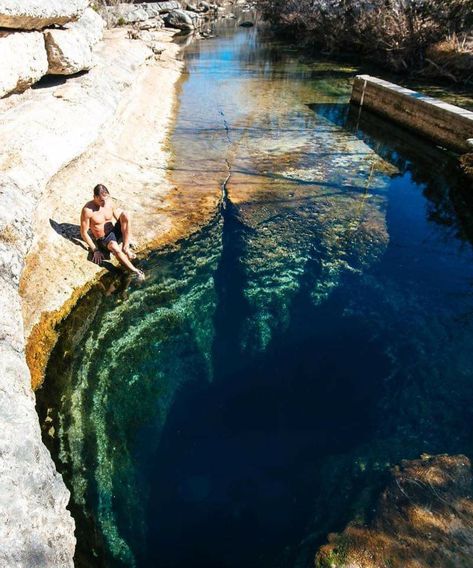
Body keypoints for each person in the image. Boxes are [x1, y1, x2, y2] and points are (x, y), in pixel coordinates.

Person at [80, 184, 145, 280]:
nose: (104, 203)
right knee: (114, 247)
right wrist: (95, 250)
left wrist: (126, 235)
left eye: (105, 199)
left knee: (126, 215)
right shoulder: (87, 210)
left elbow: (118, 217)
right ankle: (135, 271)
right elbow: (84, 233)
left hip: (113, 231)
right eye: (101, 200)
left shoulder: (109, 202)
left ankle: (126, 248)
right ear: (95, 197)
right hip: (104, 238)